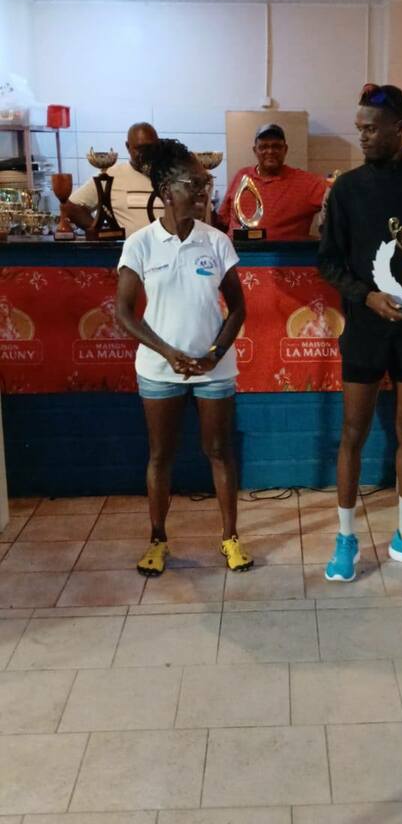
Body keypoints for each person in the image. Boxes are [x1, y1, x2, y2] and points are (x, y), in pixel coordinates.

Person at [318, 82, 402, 582]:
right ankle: (345, 539)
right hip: (365, 328)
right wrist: (368, 296)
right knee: (352, 433)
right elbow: (329, 262)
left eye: (371, 129)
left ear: (400, 127)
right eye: (360, 128)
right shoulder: (347, 189)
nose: (363, 137)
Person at [115, 138, 250, 577]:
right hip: (159, 370)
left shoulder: (217, 241)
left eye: (204, 183)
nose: (202, 191)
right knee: (161, 455)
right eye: (193, 184)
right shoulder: (140, 244)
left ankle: (230, 538)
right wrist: (168, 353)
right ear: (165, 191)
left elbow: (238, 308)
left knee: (219, 451)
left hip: (214, 370)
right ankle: (157, 540)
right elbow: (124, 313)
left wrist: (213, 354)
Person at [219, 123, 327, 240]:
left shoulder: (307, 182)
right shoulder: (241, 176)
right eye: (263, 147)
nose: (270, 151)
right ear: (255, 150)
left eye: (276, 146)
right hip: (236, 250)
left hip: (285, 251)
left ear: (285, 149)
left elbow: (336, 197)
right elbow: (223, 220)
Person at [67, 121, 162, 237]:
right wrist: (98, 230)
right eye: (139, 148)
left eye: (150, 147)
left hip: (166, 247)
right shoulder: (111, 175)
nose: (145, 153)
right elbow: (71, 207)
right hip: (125, 248)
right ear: (128, 147)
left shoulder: (171, 176)